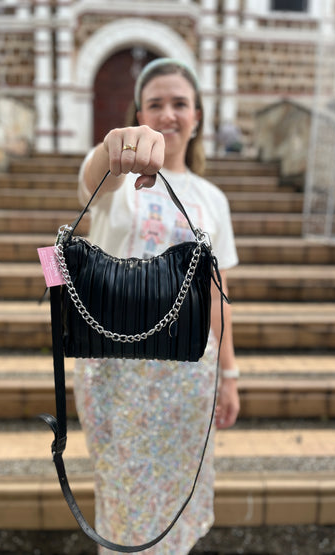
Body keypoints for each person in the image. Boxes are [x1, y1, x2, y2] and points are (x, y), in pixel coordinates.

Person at [74, 58, 240, 554]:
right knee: (122, 493)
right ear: (140, 112)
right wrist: (114, 147)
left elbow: (217, 292)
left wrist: (228, 376)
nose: (168, 114)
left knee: (176, 496)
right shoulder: (119, 179)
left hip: (189, 372)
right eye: (155, 104)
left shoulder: (212, 198)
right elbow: (91, 177)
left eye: (180, 103)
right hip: (116, 369)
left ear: (198, 116)